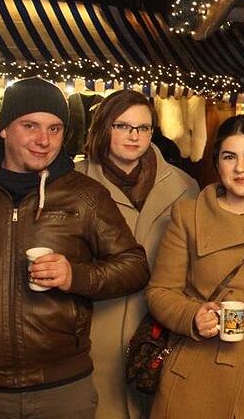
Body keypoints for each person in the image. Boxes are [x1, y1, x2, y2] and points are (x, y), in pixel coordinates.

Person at [0, 77, 150, 419]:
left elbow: (134, 265)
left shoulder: (85, 195)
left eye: (55, 129)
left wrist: (75, 276)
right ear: (4, 129)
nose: (44, 140)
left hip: (63, 388)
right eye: (30, 126)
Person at [146, 115, 244, 418]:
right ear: (217, 163)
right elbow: (160, 291)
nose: (240, 168)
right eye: (229, 157)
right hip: (196, 371)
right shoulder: (188, 215)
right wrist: (192, 316)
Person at [75, 90, 199, 419]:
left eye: (143, 128)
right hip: (93, 328)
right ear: (102, 128)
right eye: (123, 126)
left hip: (157, 332)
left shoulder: (185, 186)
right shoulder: (73, 183)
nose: (134, 136)